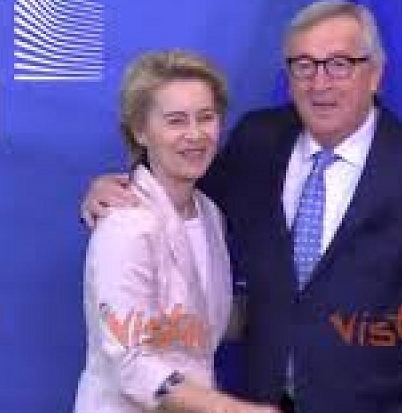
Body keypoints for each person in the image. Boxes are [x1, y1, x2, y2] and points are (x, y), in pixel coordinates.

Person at [82, 0, 402, 413]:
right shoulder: (257, 140)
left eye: (339, 64)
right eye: (304, 65)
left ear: (374, 74)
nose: (320, 83)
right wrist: (110, 188)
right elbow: (175, 189)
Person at [74, 50, 279, 413]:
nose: (195, 135)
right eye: (176, 121)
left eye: (206, 117)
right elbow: (131, 362)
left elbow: (203, 322)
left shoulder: (209, 213)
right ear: (140, 130)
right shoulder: (126, 224)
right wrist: (233, 410)